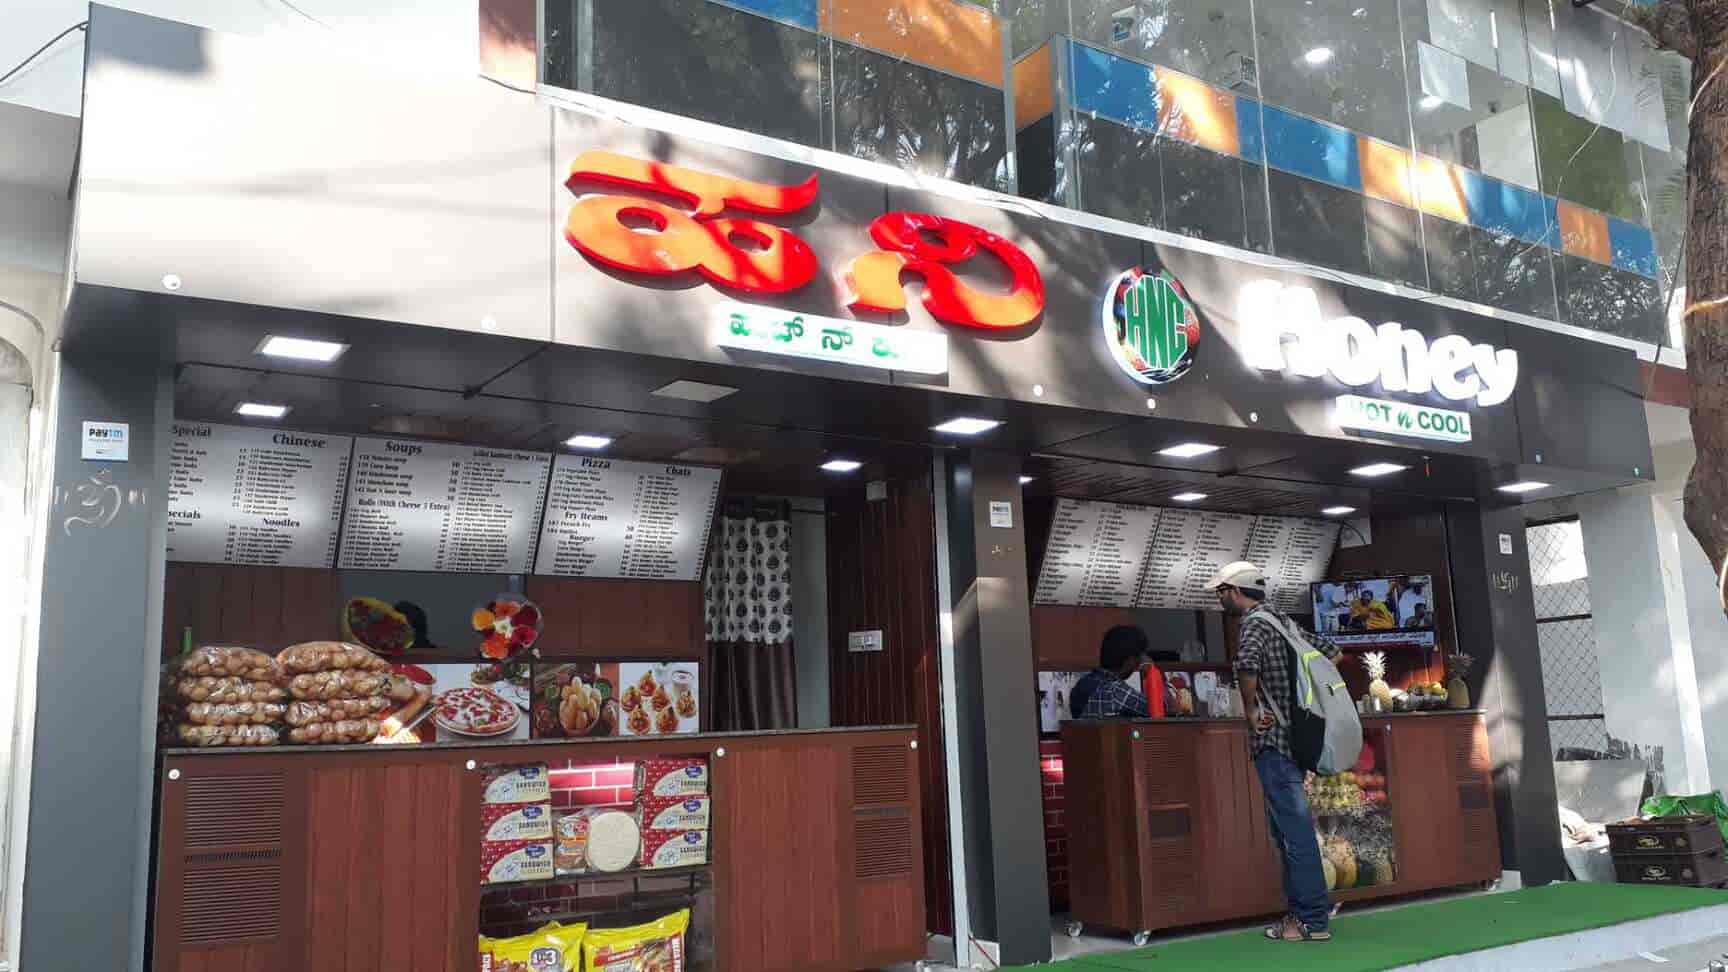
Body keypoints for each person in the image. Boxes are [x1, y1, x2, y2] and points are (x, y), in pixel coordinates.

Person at [1206, 561, 1341, 944]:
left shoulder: (1253, 624)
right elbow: (1333, 654)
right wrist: (1302, 700)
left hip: (1274, 742)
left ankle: (1311, 919)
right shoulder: (1283, 621)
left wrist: (1251, 709)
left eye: (1221, 592)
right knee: (1291, 831)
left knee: (1293, 833)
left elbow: (1247, 665)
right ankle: (1304, 917)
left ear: (1235, 591)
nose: (1220, 599)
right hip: (1299, 740)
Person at [1068, 625, 1154, 719]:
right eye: (1139, 658)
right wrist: (1152, 673)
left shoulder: (1081, 685)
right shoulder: (1116, 692)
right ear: (1130, 661)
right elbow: (1159, 710)